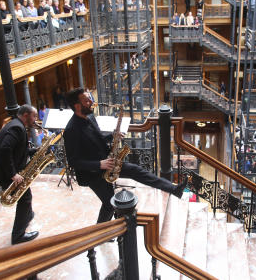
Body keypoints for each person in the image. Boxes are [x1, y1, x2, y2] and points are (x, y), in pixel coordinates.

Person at [63, 88, 187, 224]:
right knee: (109, 204)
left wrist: (112, 136)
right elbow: (73, 161)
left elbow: (99, 138)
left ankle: (173, 189)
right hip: (92, 174)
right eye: (87, 101)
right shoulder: (71, 130)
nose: (92, 102)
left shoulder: (90, 117)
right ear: (77, 106)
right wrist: (100, 164)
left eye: (90, 98)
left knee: (135, 171)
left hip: (109, 163)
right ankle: (98, 236)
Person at [0, 105, 39, 245]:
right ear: (26, 115)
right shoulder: (17, 128)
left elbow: (18, 149)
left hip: (5, 168)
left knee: (26, 194)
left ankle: (27, 216)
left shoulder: (16, 125)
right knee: (24, 198)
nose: (36, 120)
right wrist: (13, 174)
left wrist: (35, 151)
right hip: (3, 171)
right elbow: (5, 149)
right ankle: (18, 236)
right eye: (34, 116)